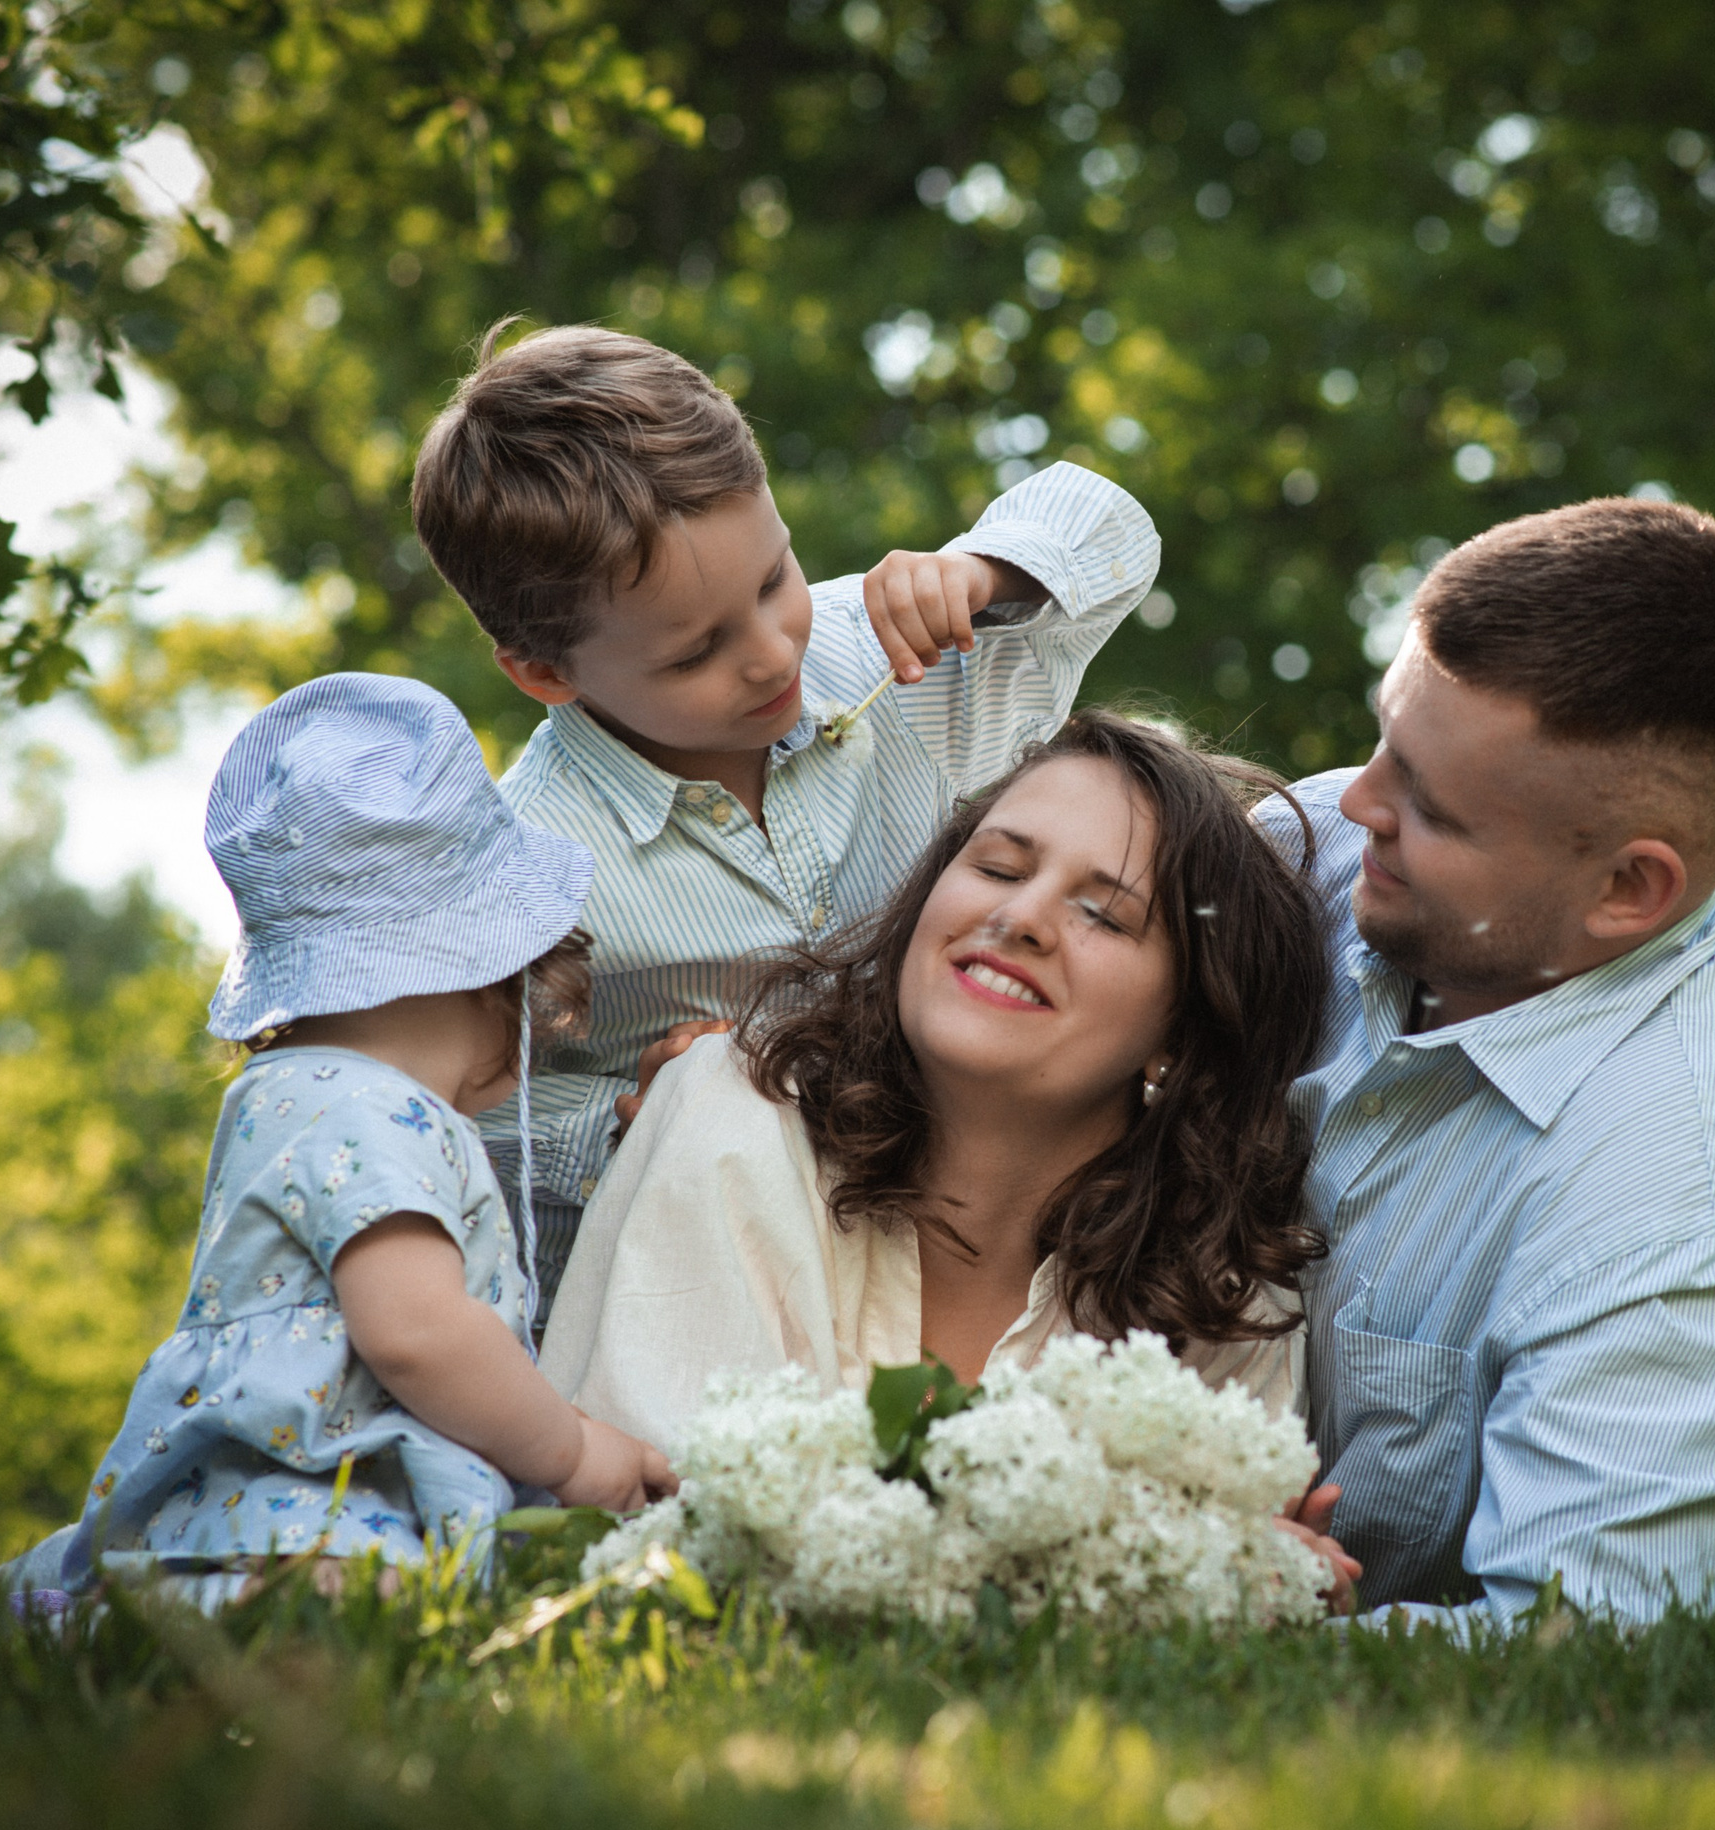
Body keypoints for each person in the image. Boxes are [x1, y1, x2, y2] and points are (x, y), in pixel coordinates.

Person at [409, 323, 1161, 1305]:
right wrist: (618, 1116)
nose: (771, 655)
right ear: (545, 673)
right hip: (714, 1287)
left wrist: (986, 572)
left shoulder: (895, 655)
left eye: (774, 580)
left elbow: (1113, 527)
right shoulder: (527, 870)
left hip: (978, 1248)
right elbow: (456, 1114)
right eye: (695, 652)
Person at [538, 712, 1356, 1596]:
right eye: (999, 867)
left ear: (1183, 1034)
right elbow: (681, 1539)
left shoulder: (1228, 1289)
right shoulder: (732, 1101)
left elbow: (1213, 1610)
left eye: (1106, 916)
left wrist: (1263, 1576)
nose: (1020, 916)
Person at [1258, 497, 1715, 1628]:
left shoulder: (1690, 1191)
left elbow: (1581, 1642)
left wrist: (1209, 1612)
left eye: (1429, 808)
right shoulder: (1323, 848)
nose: (1354, 801)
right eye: (1386, 736)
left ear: (1627, 890)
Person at [0, 675, 676, 1610]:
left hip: (262, 1491)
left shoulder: (290, 1091)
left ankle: (28, 1605)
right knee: (329, 1621)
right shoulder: (371, 1108)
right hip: (317, 1509)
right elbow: (418, 1332)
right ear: (491, 973)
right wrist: (572, 1448)